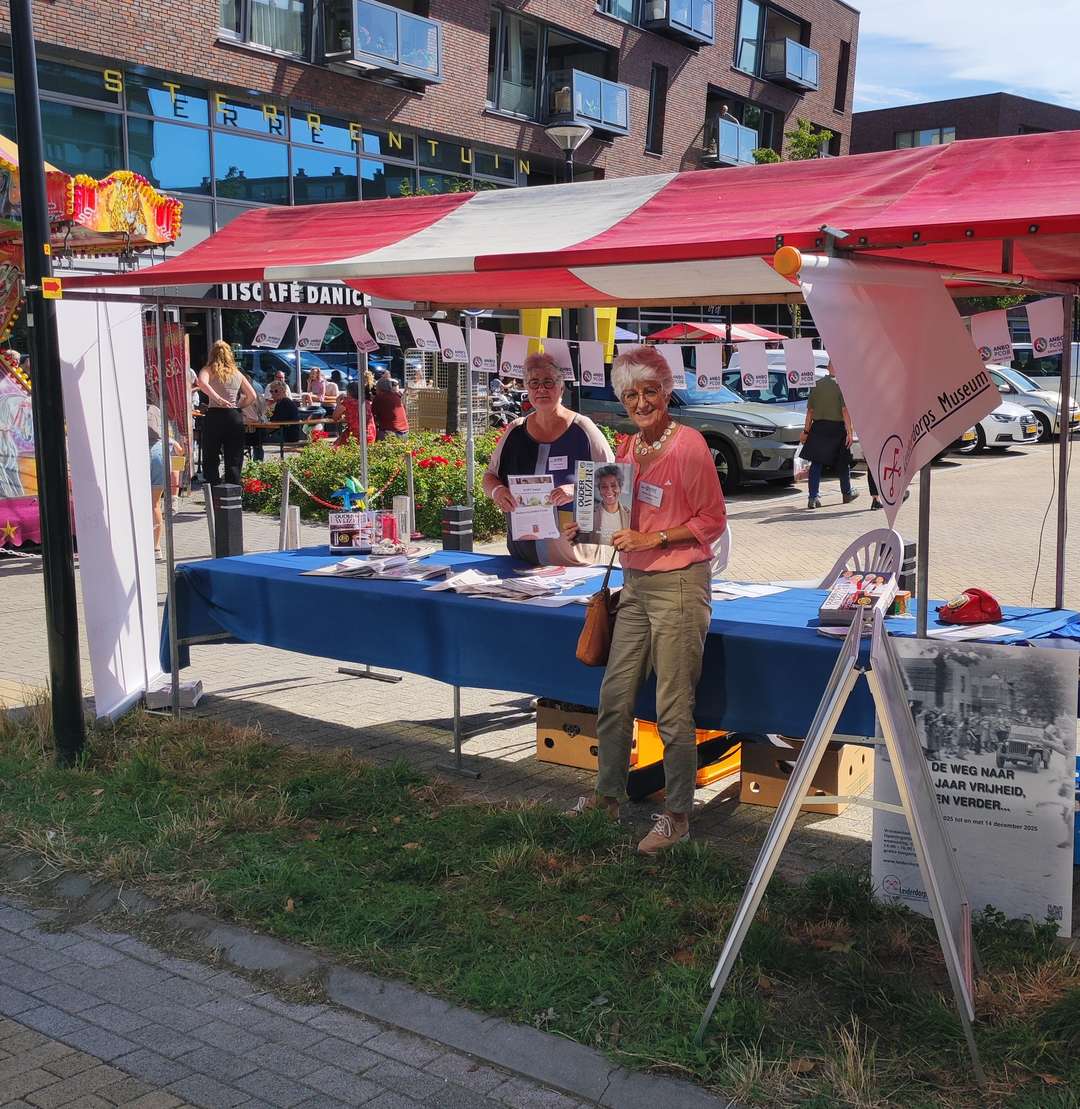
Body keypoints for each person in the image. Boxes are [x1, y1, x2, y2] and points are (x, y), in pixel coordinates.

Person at [568, 346, 727, 855]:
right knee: (613, 698)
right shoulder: (630, 450)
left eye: (649, 392)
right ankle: (607, 797)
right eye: (631, 394)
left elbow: (712, 521)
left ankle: (677, 816)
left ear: (666, 392)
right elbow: (623, 520)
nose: (641, 402)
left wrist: (654, 540)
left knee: (673, 710)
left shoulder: (691, 445)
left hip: (680, 585)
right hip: (634, 588)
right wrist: (585, 525)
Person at [482, 351, 612, 566]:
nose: (541, 389)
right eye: (534, 383)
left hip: (577, 563)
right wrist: (498, 491)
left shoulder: (583, 429)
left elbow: (614, 482)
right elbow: (490, 477)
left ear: (561, 387)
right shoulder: (515, 431)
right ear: (526, 388)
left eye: (548, 382)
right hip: (522, 559)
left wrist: (577, 490)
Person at [197, 341, 257, 487]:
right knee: (234, 457)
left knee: (211, 455)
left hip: (215, 415)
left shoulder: (208, 369)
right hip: (233, 415)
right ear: (230, 355)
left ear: (212, 354)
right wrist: (239, 406)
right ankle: (234, 493)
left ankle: (213, 492)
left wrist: (217, 398)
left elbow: (201, 383)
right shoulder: (237, 373)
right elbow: (252, 396)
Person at [800, 361, 856, 509]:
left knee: (816, 464)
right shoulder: (841, 386)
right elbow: (845, 411)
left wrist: (806, 431)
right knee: (843, 463)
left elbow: (810, 412)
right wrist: (850, 432)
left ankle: (813, 497)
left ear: (827, 368)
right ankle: (847, 493)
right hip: (837, 428)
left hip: (818, 427)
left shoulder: (816, 385)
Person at [591, 464, 629, 544]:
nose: (609, 490)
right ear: (599, 489)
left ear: (620, 488)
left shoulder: (629, 515)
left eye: (613, 485)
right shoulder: (589, 514)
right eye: (604, 486)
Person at [333, 380, 376, 446]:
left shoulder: (347, 402)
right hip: (371, 433)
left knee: (335, 447)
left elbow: (335, 417)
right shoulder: (367, 402)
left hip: (356, 435)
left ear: (349, 392)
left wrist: (338, 402)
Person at [147, 404, 165, 560]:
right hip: (158, 453)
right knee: (155, 504)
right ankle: (156, 547)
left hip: (143, 452)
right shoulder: (157, 409)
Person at [372, 375, 410, 439]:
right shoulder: (396, 395)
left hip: (392, 432)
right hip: (405, 431)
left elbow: (372, 413)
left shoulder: (380, 397)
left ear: (379, 388)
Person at [266, 379, 303, 444]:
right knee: (258, 437)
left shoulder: (285, 402)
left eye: (276, 391)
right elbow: (272, 418)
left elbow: (277, 420)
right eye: (271, 391)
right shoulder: (279, 403)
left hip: (288, 435)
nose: (273, 393)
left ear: (283, 391)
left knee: (259, 438)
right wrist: (268, 409)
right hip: (283, 432)